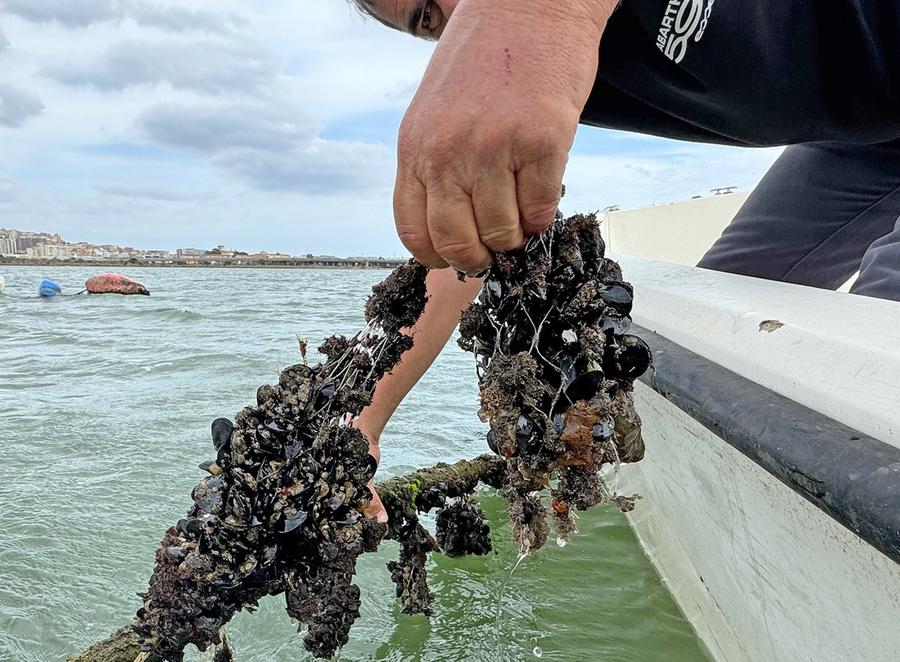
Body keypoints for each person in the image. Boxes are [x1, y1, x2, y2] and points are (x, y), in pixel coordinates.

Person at [349, 0, 900, 521]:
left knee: (879, 334)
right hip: (861, 138)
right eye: (427, 17)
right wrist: (361, 427)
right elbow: (464, 253)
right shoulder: (548, 73)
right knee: (714, 318)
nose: (453, 10)